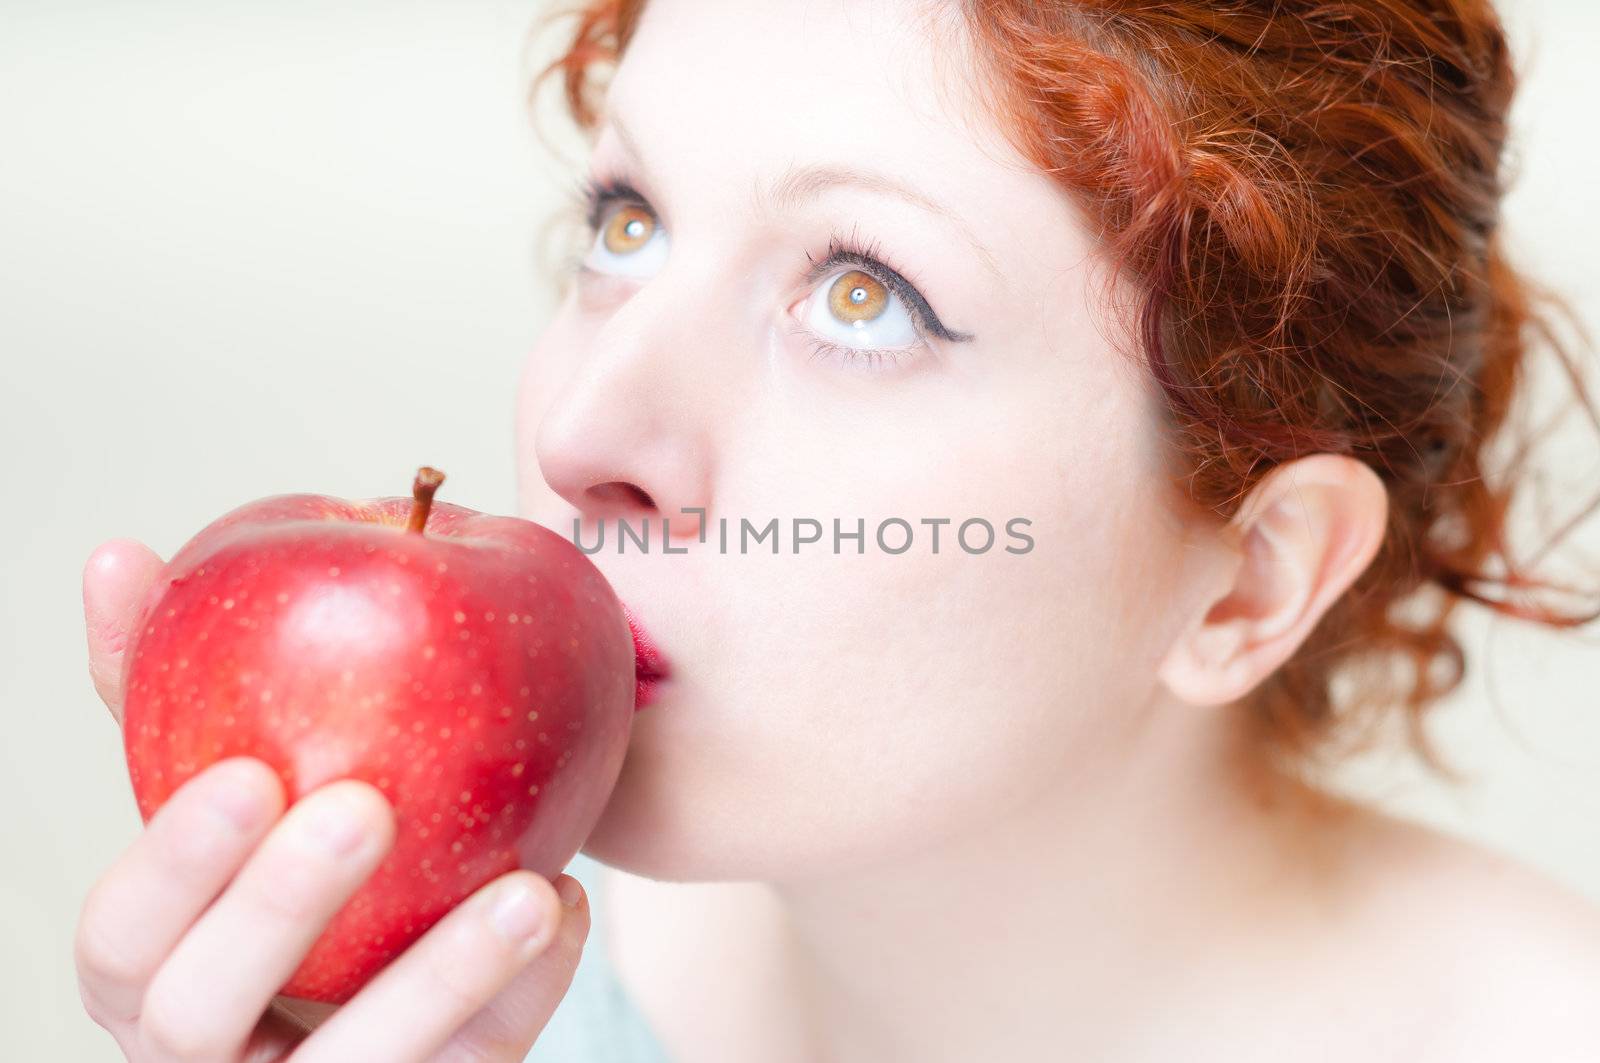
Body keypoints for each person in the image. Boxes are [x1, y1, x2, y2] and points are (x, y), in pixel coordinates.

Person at [76, 0, 1600, 1059]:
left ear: (1249, 587)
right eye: (626, 225)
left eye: (863, 293)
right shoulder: (486, 994)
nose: (583, 433)